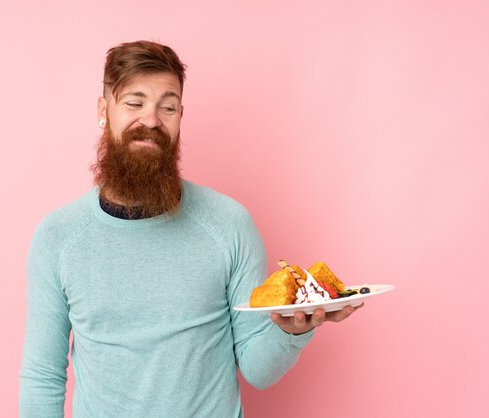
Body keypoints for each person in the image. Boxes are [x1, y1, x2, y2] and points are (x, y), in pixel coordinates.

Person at [19, 40, 360, 418]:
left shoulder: (229, 224)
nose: (151, 120)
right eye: (134, 103)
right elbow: (43, 376)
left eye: (167, 106)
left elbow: (258, 370)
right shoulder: (58, 238)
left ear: (180, 115)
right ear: (104, 111)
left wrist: (293, 331)